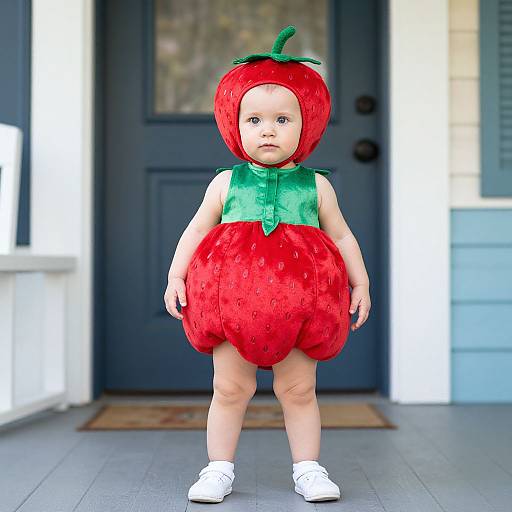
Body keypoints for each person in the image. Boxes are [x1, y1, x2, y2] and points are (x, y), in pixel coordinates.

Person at [164, 26, 371, 504]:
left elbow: (341, 236)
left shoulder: (316, 187)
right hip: (232, 305)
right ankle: (218, 468)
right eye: (254, 119)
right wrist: (177, 275)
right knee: (229, 387)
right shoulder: (224, 184)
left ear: (308, 125)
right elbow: (196, 232)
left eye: (283, 118)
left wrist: (359, 282)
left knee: (298, 388)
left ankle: (309, 469)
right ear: (235, 125)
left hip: (300, 306)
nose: (269, 129)